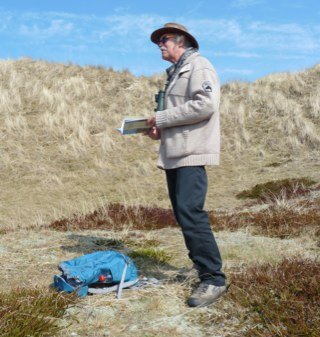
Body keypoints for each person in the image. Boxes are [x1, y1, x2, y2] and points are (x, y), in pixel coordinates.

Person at [145, 23, 227, 307]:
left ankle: (213, 279)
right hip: (175, 153)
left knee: (191, 213)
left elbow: (205, 105)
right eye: (158, 41)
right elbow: (181, 114)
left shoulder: (199, 66)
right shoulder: (176, 73)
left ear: (181, 41)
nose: (159, 44)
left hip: (191, 154)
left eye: (164, 39)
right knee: (183, 214)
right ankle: (202, 267)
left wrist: (163, 119)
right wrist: (158, 128)